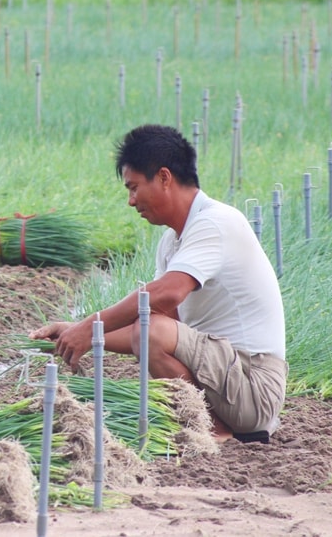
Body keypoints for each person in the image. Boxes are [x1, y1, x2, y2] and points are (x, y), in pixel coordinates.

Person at [31, 124, 287, 443]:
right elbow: (161, 331)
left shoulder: (216, 223)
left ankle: (214, 429)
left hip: (254, 385)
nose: (130, 200)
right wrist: (82, 333)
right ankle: (212, 423)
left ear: (164, 178)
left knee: (149, 326)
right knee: (150, 328)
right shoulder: (172, 242)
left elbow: (164, 299)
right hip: (226, 381)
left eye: (134, 187)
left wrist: (89, 325)